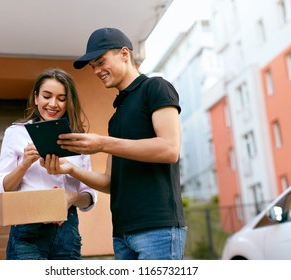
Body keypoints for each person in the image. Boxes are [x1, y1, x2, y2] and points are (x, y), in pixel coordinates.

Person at [41, 28, 186, 260]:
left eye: (100, 62)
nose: (97, 71)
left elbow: (170, 149)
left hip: (157, 229)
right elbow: (110, 183)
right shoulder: (117, 116)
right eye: (93, 67)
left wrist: (102, 143)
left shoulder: (156, 88)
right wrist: (71, 169)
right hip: (122, 233)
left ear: (125, 54)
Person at [0, 68, 97, 260]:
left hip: (67, 231)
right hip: (27, 233)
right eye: (46, 96)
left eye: (62, 98)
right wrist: (25, 164)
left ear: (69, 102)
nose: (53, 104)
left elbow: (89, 196)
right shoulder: (16, 133)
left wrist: (70, 198)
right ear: (36, 97)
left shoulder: (78, 141)